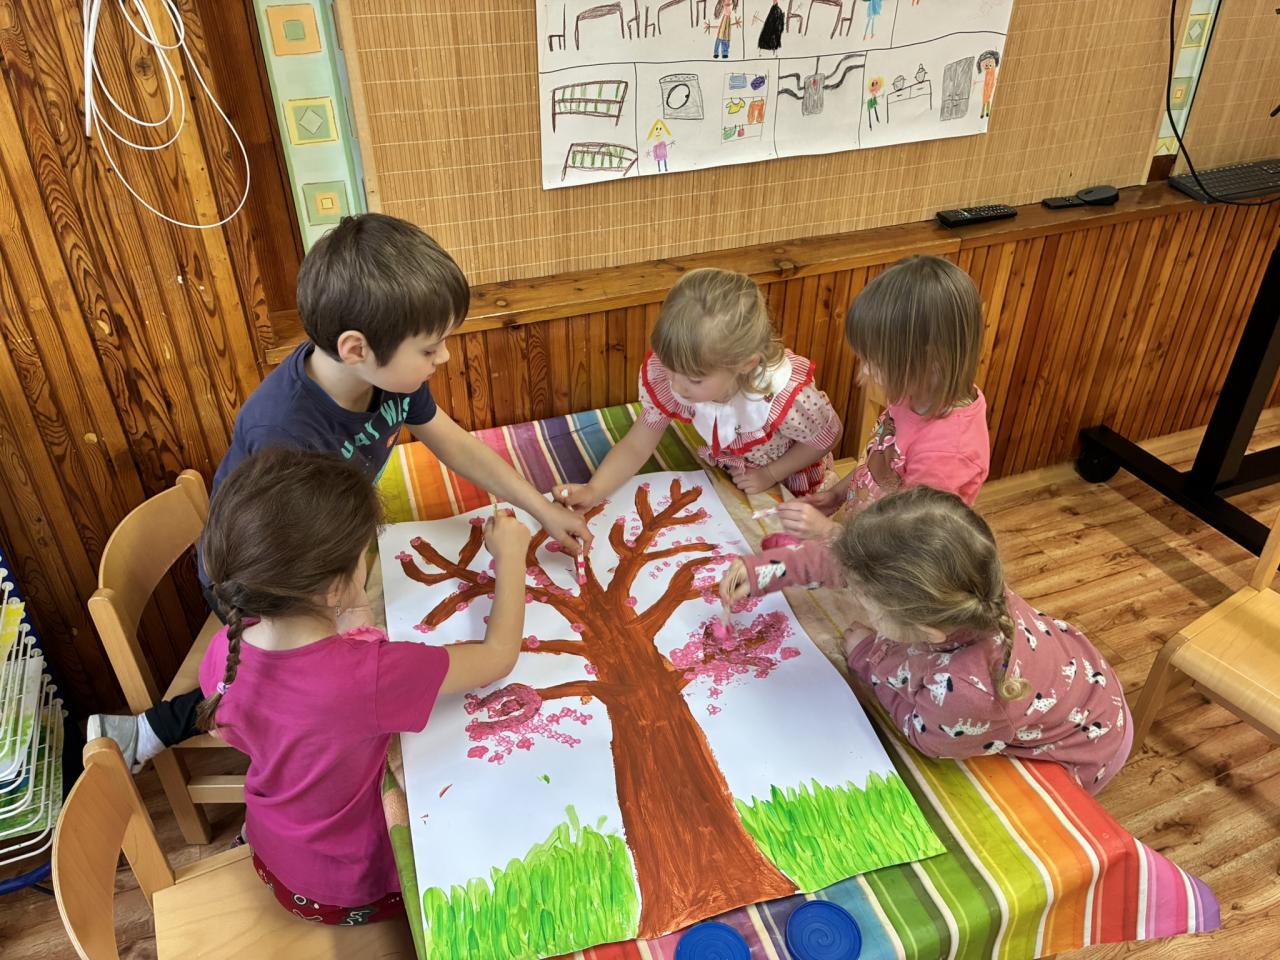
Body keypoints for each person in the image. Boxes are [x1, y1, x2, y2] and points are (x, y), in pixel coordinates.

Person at [89, 213, 588, 771]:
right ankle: (158, 726)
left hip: (326, 555)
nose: (444, 358)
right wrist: (354, 623)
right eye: (430, 349)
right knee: (338, 684)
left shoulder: (387, 379)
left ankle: (157, 726)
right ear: (355, 349)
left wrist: (540, 507)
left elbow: (452, 442)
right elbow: (286, 576)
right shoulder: (284, 432)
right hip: (266, 580)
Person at [194, 448, 531, 922]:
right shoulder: (368, 676)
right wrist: (512, 557)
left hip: (273, 851)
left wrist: (347, 618)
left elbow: (238, 731)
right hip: (344, 890)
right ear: (334, 588)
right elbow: (498, 657)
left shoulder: (224, 650)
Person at [721, 486, 1131, 794]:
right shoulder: (961, 585)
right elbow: (844, 564)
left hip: (1081, 751)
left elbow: (925, 735)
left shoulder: (968, 693)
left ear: (926, 632)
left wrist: (867, 657)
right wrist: (763, 572)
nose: (853, 596)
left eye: (866, 602)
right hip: (1083, 686)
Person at [557, 267, 840, 511]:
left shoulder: (783, 397)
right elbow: (636, 445)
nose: (676, 386)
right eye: (670, 369)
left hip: (794, 483)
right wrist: (593, 490)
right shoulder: (681, 374)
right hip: (741, 476)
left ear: (745, 364)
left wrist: (770, 473)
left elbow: (828, 436)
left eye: (694, 380)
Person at [769, 254, 989, 544]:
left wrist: (828, 532)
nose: (864, 373)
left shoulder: (947, 454)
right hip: (860, 539)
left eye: (876, 362)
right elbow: (876, 463)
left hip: (887, 562)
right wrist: (836, 495)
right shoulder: (916, 391)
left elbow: (907, 548)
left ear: (933, 359)